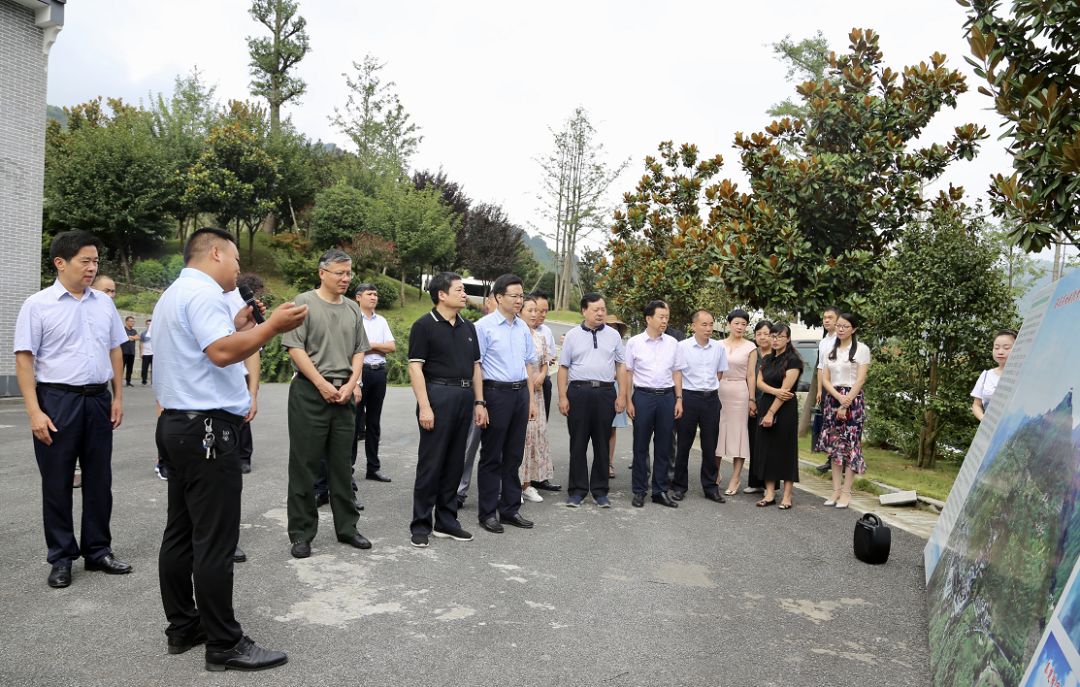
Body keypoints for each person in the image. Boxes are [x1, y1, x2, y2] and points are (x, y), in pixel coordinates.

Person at [153, 227, 305, 670]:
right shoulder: (202, 296)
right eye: (236, 260)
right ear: (215, 252)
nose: (239, 269)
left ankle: (184, 625)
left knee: (180, 532)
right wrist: (272, 326)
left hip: (178, 425)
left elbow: (210, 346)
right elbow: (220, 353)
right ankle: (224, 642)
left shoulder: (175, 294)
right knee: (215, 540)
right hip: (207, 431)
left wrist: (244, 327)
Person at [14, 231, 130, 589]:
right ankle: (61, 557)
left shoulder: (103, 303)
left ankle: (98, 550)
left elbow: (115, 350)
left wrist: (117, 397)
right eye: (86, 261)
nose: (92, 268)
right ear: (60, 262)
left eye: (96, 261)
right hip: (57, 400)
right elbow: (24, 360)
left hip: (97, 399)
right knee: (57, 480)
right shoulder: (38, 304)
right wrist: (34, 411)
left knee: (99, 479)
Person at [282, 250, 372, 558]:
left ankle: (347, 527)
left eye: (349, 273)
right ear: (322, 273)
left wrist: (351, 384)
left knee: (341, 466)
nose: (346, 278)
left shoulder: (352, 309)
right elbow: (295, 348)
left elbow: (360, 350)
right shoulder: (303, 303)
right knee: (304, 466)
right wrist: (321, 384)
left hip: (343, 394)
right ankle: (301, 533)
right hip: (310, 393)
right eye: (339, 273)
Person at [408, 272, 486, 548]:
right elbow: (415, 367)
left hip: (465, 397)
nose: (464, 294)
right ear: (442, 294)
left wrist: (480, 402)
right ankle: (420, 524)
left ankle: (446, 520)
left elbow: (477, 366)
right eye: (460, 290)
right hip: (437, 395)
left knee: (455, 462)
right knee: (431, 463)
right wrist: (425, 407)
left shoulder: (469, 327)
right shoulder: (424, 326)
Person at [475, 274, 538, 533]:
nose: (519, 300)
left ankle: (510, 508)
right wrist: (480, 401)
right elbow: (475, 365)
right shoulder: (484, 326)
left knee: (514, 454)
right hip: (495, 394)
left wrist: (531, 400)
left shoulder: (522, 327)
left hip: (520, 394)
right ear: (499, 297)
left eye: (521, 295)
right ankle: (488, 513)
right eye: (514, 295)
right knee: (492, 455)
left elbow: (528, 364)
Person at [558, 292, 628, 508]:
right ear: (584, 311)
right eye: (596, 309)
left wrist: (622, 394)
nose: (600, 313)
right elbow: (563, 368)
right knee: (577, 443)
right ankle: (577, 491)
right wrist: (562, 396)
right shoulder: (572, 336)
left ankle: (600, 491)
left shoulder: (614, 336)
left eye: (603, 309)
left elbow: (621, 366)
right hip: (578, 392)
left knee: (602, 443)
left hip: (606, 393)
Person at [624, 300, 686, 508]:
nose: (664, 321)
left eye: (667, 317)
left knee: (664, 446)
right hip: (642, 397)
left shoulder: (672, 343)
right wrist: (627, 400)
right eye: (661, 317)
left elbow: (677, 372)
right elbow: (628, 373)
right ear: (648, 318)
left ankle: (659, 491)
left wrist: (679, 399)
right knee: (640, 445)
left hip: (667, 397)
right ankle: (639, 490)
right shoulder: (634, 343)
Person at [672, 309, 728, 502]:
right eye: (704, 324)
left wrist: (709, 389)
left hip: (711, 399)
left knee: (710, 445)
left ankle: (710, 487)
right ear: (693, 326)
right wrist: (679, 398)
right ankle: (679, 486)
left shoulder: (718, 347)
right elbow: (676, 373)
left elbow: (719, 374)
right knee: (684, 444)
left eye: (711, 324)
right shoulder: (682, 347)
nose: (708, 328)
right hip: (689, 398)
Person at [820, 313, 872, 509]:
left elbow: (860, 379)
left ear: (854, 329)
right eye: (839, 325)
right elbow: (825, 378)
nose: (841, 329)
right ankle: (835, 490)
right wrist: (837, 397)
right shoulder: (829, 350)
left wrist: (845, 402)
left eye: (845, 326)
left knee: (850, 446)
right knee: (835, 446)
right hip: (832, 398)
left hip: (853, 400)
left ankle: (847, 492)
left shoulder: (861, 350)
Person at [753, 323, 804, 510]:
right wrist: (775, 391)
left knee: (785, 451)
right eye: (773, 336)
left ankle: (788, 495)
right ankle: (769, 493)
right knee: (766, 449)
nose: (775, 340)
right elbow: (759, 382)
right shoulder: (767, 359)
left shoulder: (794, 361)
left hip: (784, 409)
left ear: (788, 338)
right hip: (766, 402)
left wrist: (772, 413)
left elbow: (786, 391)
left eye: (779, 336)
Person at [455, 291, 499, 508]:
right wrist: (478, 399)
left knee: (497, 449)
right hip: (479, 392)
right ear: (491, 302)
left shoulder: (515, 327)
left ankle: (496, 492)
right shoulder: (479, 327)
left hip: (502, 394)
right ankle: (458, 491)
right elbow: (474, 364)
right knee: (468, 445)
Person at [354, 283, 395, 483]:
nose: (374, 297)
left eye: (376, 294)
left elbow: (391, 347)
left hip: (378, 373)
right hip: (359, 372)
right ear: (358, 297)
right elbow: (354, 348)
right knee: (354, 423)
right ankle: (348, 468)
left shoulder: (382, 321)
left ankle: (373, 467)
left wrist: (371, 345)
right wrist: (377, 347)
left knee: (374, 422)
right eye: (370, 294)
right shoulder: (353, 319)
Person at [717, 309, 757, 496]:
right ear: (729, 324)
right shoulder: (717, 345)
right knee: (717, 433)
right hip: (719, 390)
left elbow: (751, 374)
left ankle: (735, 477)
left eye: (743, 324)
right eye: (736, 323)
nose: (740, 327)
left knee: (739, 435)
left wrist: (752, 398)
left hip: (740, 392)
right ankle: (714, 473)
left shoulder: (751, 347)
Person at [520, 295, 555, 503]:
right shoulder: (516, 334)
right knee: (520, 439)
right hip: (521, 394)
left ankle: (528, 484)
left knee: (535, 437)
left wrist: (542, 374)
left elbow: (544, 362)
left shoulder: (540, 336)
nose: (534, 314)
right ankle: (513, 484)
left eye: (536, 310)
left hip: (538, 394)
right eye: (530, 310)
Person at [528, 291, 562, 493]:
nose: (540, 315)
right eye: (535, 310)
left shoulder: (545, 332)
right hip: (523, 386)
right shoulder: (521, 331)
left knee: (540, 430)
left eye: (544, 311)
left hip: (543, 384)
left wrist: (542, 374)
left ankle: (540, 476)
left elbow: (550, 359)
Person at [743, 320, 773, 494]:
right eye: (759, 334)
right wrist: (751, 399)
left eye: (766, 334)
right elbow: (748, 377)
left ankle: (769, 484)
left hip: (771, 402)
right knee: (754, 442)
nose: (762, 337)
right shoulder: (752, 354)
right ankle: (754, 482)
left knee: (769, 444)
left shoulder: (777, 355)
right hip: (753, 401)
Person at [814, 306, 840, 467]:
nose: (826, 320)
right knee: (828, 423)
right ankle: (831, 458)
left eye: (830, 317)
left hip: (838, 387)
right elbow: (820, 367)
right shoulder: (823, 342)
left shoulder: (842, 340)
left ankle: (840, 459)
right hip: (825, 388)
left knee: (838, 423)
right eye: (824, 317)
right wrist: (819, 390)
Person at [971, 329, 1017, 422]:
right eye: (996, 348)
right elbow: (976, 405)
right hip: (992, 430)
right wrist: (983, 419)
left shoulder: (1022, 375)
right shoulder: (986, 375)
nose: (1000, 352)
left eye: (1006, 348)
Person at [606, 317, 630, 479]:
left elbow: (625, 370)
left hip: (616, 387)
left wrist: (625, 397)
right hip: (600, 386)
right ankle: (599, 462)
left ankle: (608, 462)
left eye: (616, 328)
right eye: (609, 327)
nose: (612, 330)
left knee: (611, 428)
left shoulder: (622, 347)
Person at [139, 317, 153, 385]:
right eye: (148, 324)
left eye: (150, 324)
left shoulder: (155, 333)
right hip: (145, 354)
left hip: (153, 354)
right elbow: (141, 343)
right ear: (146, 325)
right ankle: (144, 380)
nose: (149, 325)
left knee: (154, 369)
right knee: (144, 368)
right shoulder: (143, 334)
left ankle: (153, 381)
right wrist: (141, 353)